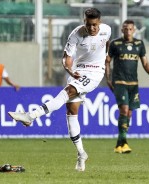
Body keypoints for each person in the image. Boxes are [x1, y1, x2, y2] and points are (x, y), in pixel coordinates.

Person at [8, 8, 111, 172]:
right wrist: (70, 71)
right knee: (71, 111)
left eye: (95, 25)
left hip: (95, 73)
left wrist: (106, 59)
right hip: (78, 71)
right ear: (84, 21)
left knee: (68, 92)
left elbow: (106, 43)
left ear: (100, 22)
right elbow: (66, 58)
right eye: (88, 24)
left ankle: (31, 116)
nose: (92, 28)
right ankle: (81, 154)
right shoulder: (76, 34)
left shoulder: (106, 30)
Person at [105, 19, 149, 154]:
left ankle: (119, 143)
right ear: (122, 30)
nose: (128, 31)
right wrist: (108, 78)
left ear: (134, 30)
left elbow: (145, 62)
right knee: (124, 110)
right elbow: (107, 61)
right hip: (120, 82)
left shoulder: (139, 44)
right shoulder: (115, 44)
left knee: (129, 113)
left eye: (130, 29)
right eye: (125, 29)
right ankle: (124, 143)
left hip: (134, 83)